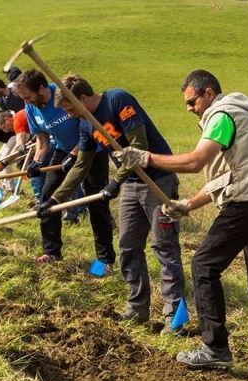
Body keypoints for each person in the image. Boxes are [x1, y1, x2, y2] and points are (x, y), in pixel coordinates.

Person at [115, 70, 248, 379]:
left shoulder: (222, 115)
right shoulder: (236, 116)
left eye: (191, 101)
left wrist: (146, 158)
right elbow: (222, 176)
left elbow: (195, 162)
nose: (189, 109)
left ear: (209, 93)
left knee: (203, 265)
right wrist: (187, 204)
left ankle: (215, 350)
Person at [54, 74, 187, 331]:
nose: (70, 115)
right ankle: (137, 308)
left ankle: (174, 316)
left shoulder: (118, 100)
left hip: (156, 180)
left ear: (82, 98)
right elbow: (82, 165)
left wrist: (115, 181)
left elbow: (139, 146)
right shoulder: (85, 124)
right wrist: (55, 198)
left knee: (164, 247)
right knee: (128, 246)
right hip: (130, 185)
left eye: (71, 108)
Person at [14, 69, 112, 265]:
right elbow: (42, 140)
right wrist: (38, 161)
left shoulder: (64, 95)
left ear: (42, 87)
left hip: (93, 150)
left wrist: (75, 154)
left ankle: (104, 262)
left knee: (96, 204)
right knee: (47, 197)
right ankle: (52, 253)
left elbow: (90, 126)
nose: (27, 102)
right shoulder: (31, 108)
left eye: (28, 97)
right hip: (62, 150)